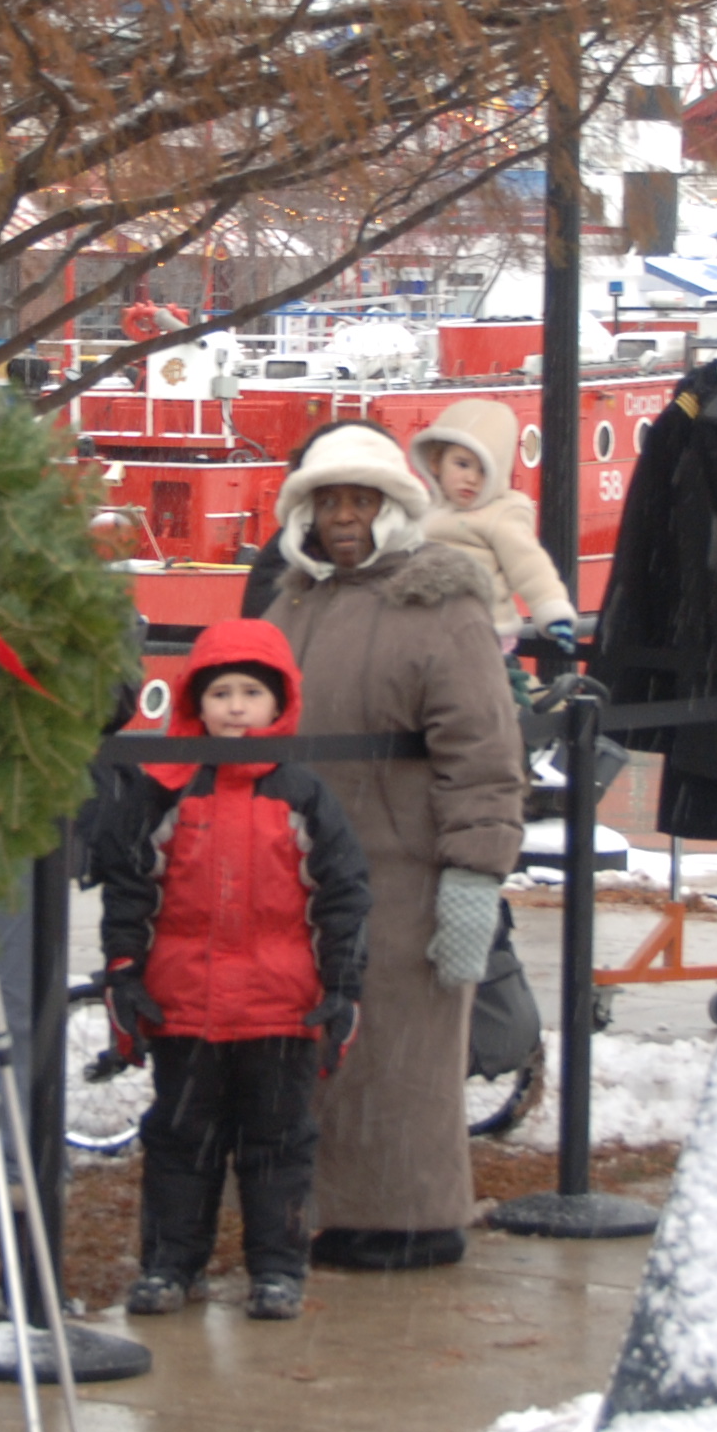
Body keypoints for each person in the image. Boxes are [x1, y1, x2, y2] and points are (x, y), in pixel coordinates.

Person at [261, 422, 522, 1274]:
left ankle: (414, 1221)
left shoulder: (439, 606)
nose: (344, 517)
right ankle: (332, 1214)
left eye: (361, 500)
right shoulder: (292, 603)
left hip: (405, 877)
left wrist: (474, 876)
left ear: (393, 508)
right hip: (302, 874)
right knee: (327, 1060)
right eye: (329, 500)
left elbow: (483, 754)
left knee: (403, 1062)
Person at [94, 618, 368, 1322]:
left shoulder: (304, 795)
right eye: (221, 693)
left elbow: (342, 897)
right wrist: (123, 974)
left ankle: (277, 1268)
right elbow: (131, 892)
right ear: (197, 702)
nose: (236, 708)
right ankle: (169, 1264)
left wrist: (343, 988)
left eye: (251, 692)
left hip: (280, 1010)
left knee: (278, 1148)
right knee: (179, 1143)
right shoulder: (167, 791)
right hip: (184, 1006)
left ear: (280, 703)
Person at [408, 398, 578, 643]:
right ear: (436, 463)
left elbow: (529, 565)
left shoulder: (500, 514)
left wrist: (552, 609)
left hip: (483, 629)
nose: (471, 478)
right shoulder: (425, 508)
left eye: (484, 470)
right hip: (431, 628)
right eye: (462, 464)